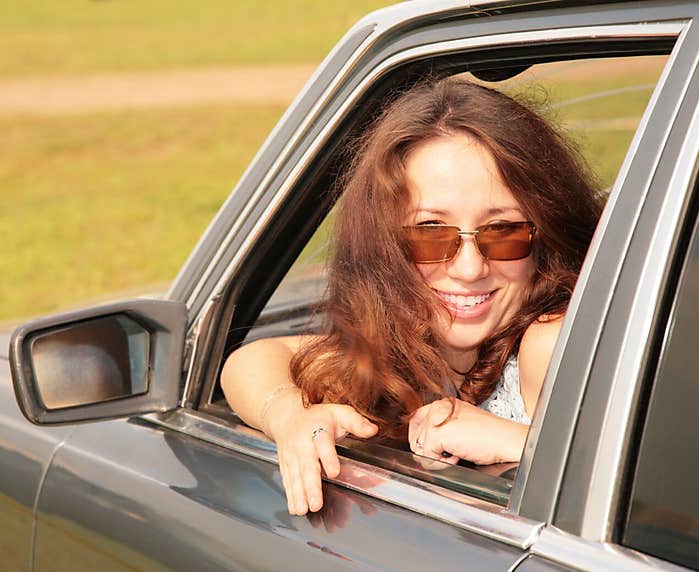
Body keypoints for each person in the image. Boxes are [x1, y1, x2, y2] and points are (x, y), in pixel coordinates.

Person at [220, 77, 602, 516]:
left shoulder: (549, 343)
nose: (469, 268)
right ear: (384, 245)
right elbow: (252, 360)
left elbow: (647, 508)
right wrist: (290, 418)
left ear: (546, 236)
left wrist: (520, 445)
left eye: (504, 231)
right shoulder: (406, 340)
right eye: (429, 234)